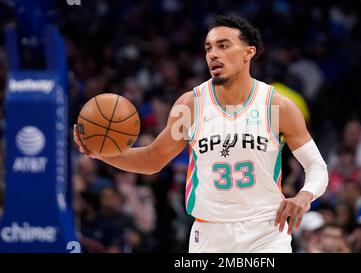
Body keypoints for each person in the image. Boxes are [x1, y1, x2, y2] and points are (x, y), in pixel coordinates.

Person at [74, 15, 328, 253]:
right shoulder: (190, 106)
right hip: (209, 233)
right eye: (208, 48)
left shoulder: (278, 106)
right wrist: (100, 152)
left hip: (266, 232)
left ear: (248, 53)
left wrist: (305, 195)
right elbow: (153, 160)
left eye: (223, 45)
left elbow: (316, 165)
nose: (213, 54)